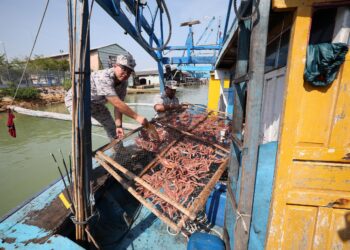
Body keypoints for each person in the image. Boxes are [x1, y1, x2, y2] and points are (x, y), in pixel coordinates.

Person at [65, 54, 149, 141]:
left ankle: (119, 151)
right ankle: (84, 153)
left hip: (96, 103)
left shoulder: (123, 82)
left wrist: (119, 126)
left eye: (129, 72)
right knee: (84, 126)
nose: (126, 74)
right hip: (76, 100)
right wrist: (137, 117)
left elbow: (119, 106)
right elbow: (116, 102)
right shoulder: (104, 77)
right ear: (115, 65)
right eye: (123, 68)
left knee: (113, 128)